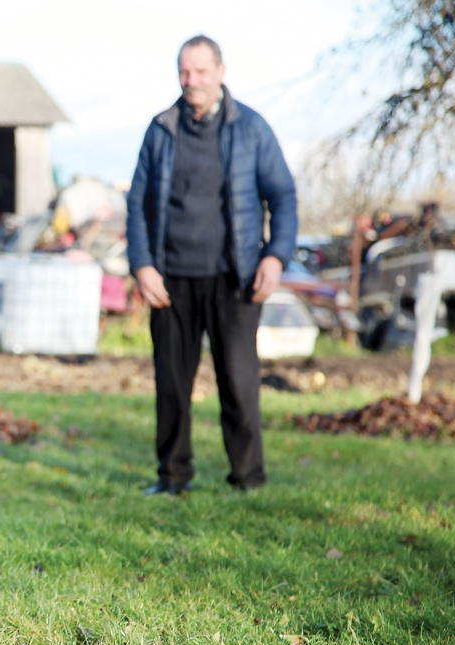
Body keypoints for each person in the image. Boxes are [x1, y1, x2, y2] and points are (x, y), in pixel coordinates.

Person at [125, 35, 297, 495]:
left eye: (200, 71)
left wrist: (276, 257)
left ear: (221, 72)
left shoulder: (251, 129)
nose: (191, 81)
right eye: (184, 71)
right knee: (172, 388)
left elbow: (282, 195)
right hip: (171, 280)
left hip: (234, 280)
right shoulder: (161, 128)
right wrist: (142, 266)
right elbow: (137, 204)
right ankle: (173, 477)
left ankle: (248, 479)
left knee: (239, 386)